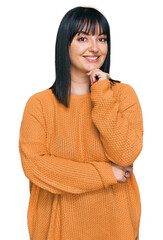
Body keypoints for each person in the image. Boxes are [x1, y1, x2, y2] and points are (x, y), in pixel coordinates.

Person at [19, 6, 143, 240]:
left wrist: (102, 93)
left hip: (116, 228)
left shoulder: (122, 95)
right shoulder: (39, 104)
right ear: (65, 44)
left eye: (102, 38)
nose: (95, 47)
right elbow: (36, 168)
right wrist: (107, 173)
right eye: (83, 38)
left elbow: (125, 154)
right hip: (57, 230)